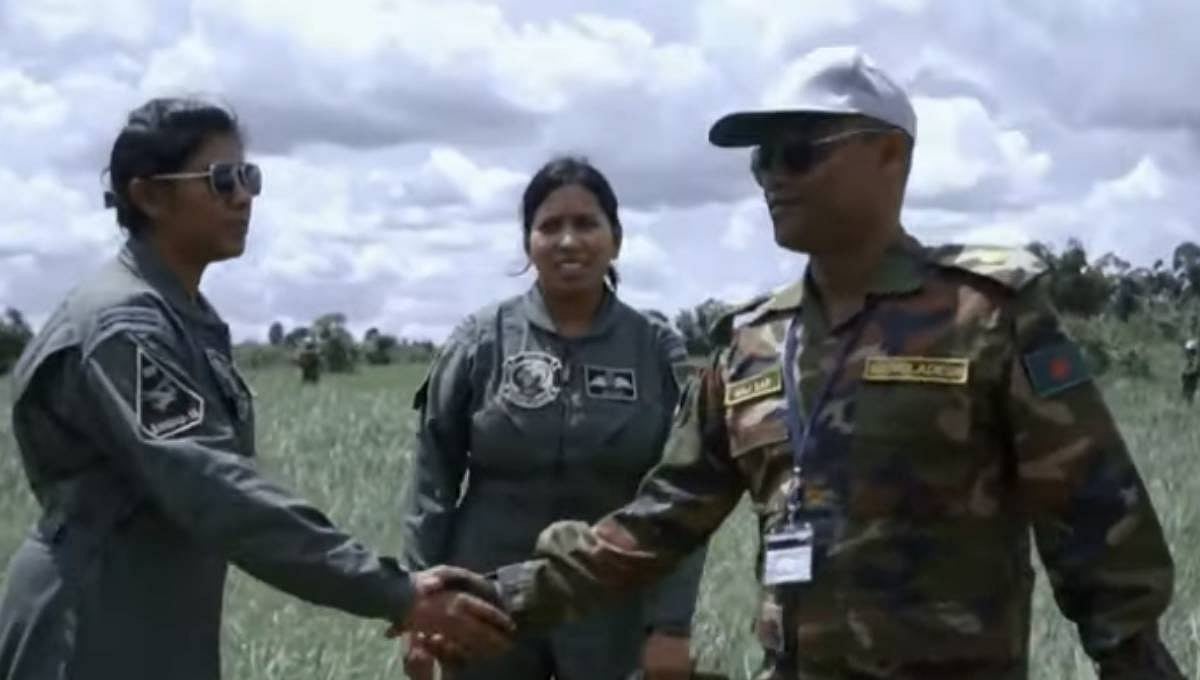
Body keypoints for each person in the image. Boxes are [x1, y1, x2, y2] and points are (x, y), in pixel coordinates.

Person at [446, 47, 1185, 679]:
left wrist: (1135, 659)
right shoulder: (751, 345)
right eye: (762, 158)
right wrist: (496, 597)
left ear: (890, 154)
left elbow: (1097, 515)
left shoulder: (988, 317)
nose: (774, 176)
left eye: (798, 152)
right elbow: (662, 518)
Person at [0, 97, 513, 680]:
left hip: (152, 615)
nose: (244, 196)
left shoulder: (180, 315)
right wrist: (393, 591)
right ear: (148, 196)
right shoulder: (126, 326)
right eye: (222, 179)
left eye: (250, 177)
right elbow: (215, 487)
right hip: (93, 621)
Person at [398, 156, 708, 680]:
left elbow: (684, 494)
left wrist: (671, 626)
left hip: (612, 606)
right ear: (528, 242)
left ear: (616, 240)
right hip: (483, 603)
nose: (568, 241)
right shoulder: (480, 339)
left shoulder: (655, 349)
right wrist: (417, 606)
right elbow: (431, 480)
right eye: (549, 226)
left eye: (586, 224)